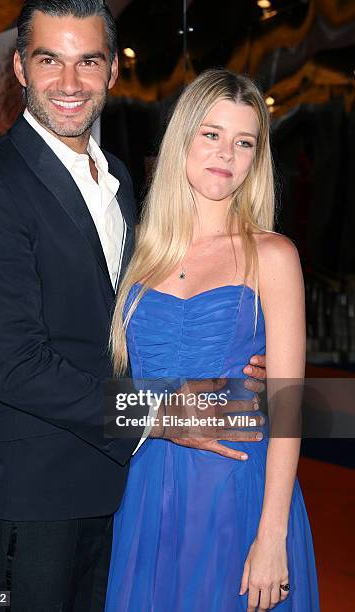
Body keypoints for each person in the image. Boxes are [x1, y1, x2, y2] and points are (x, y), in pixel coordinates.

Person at [0, 2, 267, 610]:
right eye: (50, 60)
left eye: (87, 62)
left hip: (121, 491)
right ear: (19, 68)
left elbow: (139, 313)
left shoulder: (116, 177)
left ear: (112, 72)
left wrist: (243, 345)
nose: (69, 85)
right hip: (35, 500)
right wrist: (160, 414)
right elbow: (17, 368)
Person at [106, 69, 320, 611]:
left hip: (239, 493)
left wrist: (272, 536)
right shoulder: (136, 255)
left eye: (243, 141)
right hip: (148, 490)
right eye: (211, 134)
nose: (226, 153)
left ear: (256, 158)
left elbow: (288, 406)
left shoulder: (274, 255)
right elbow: (106, 384)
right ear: (182, 139)